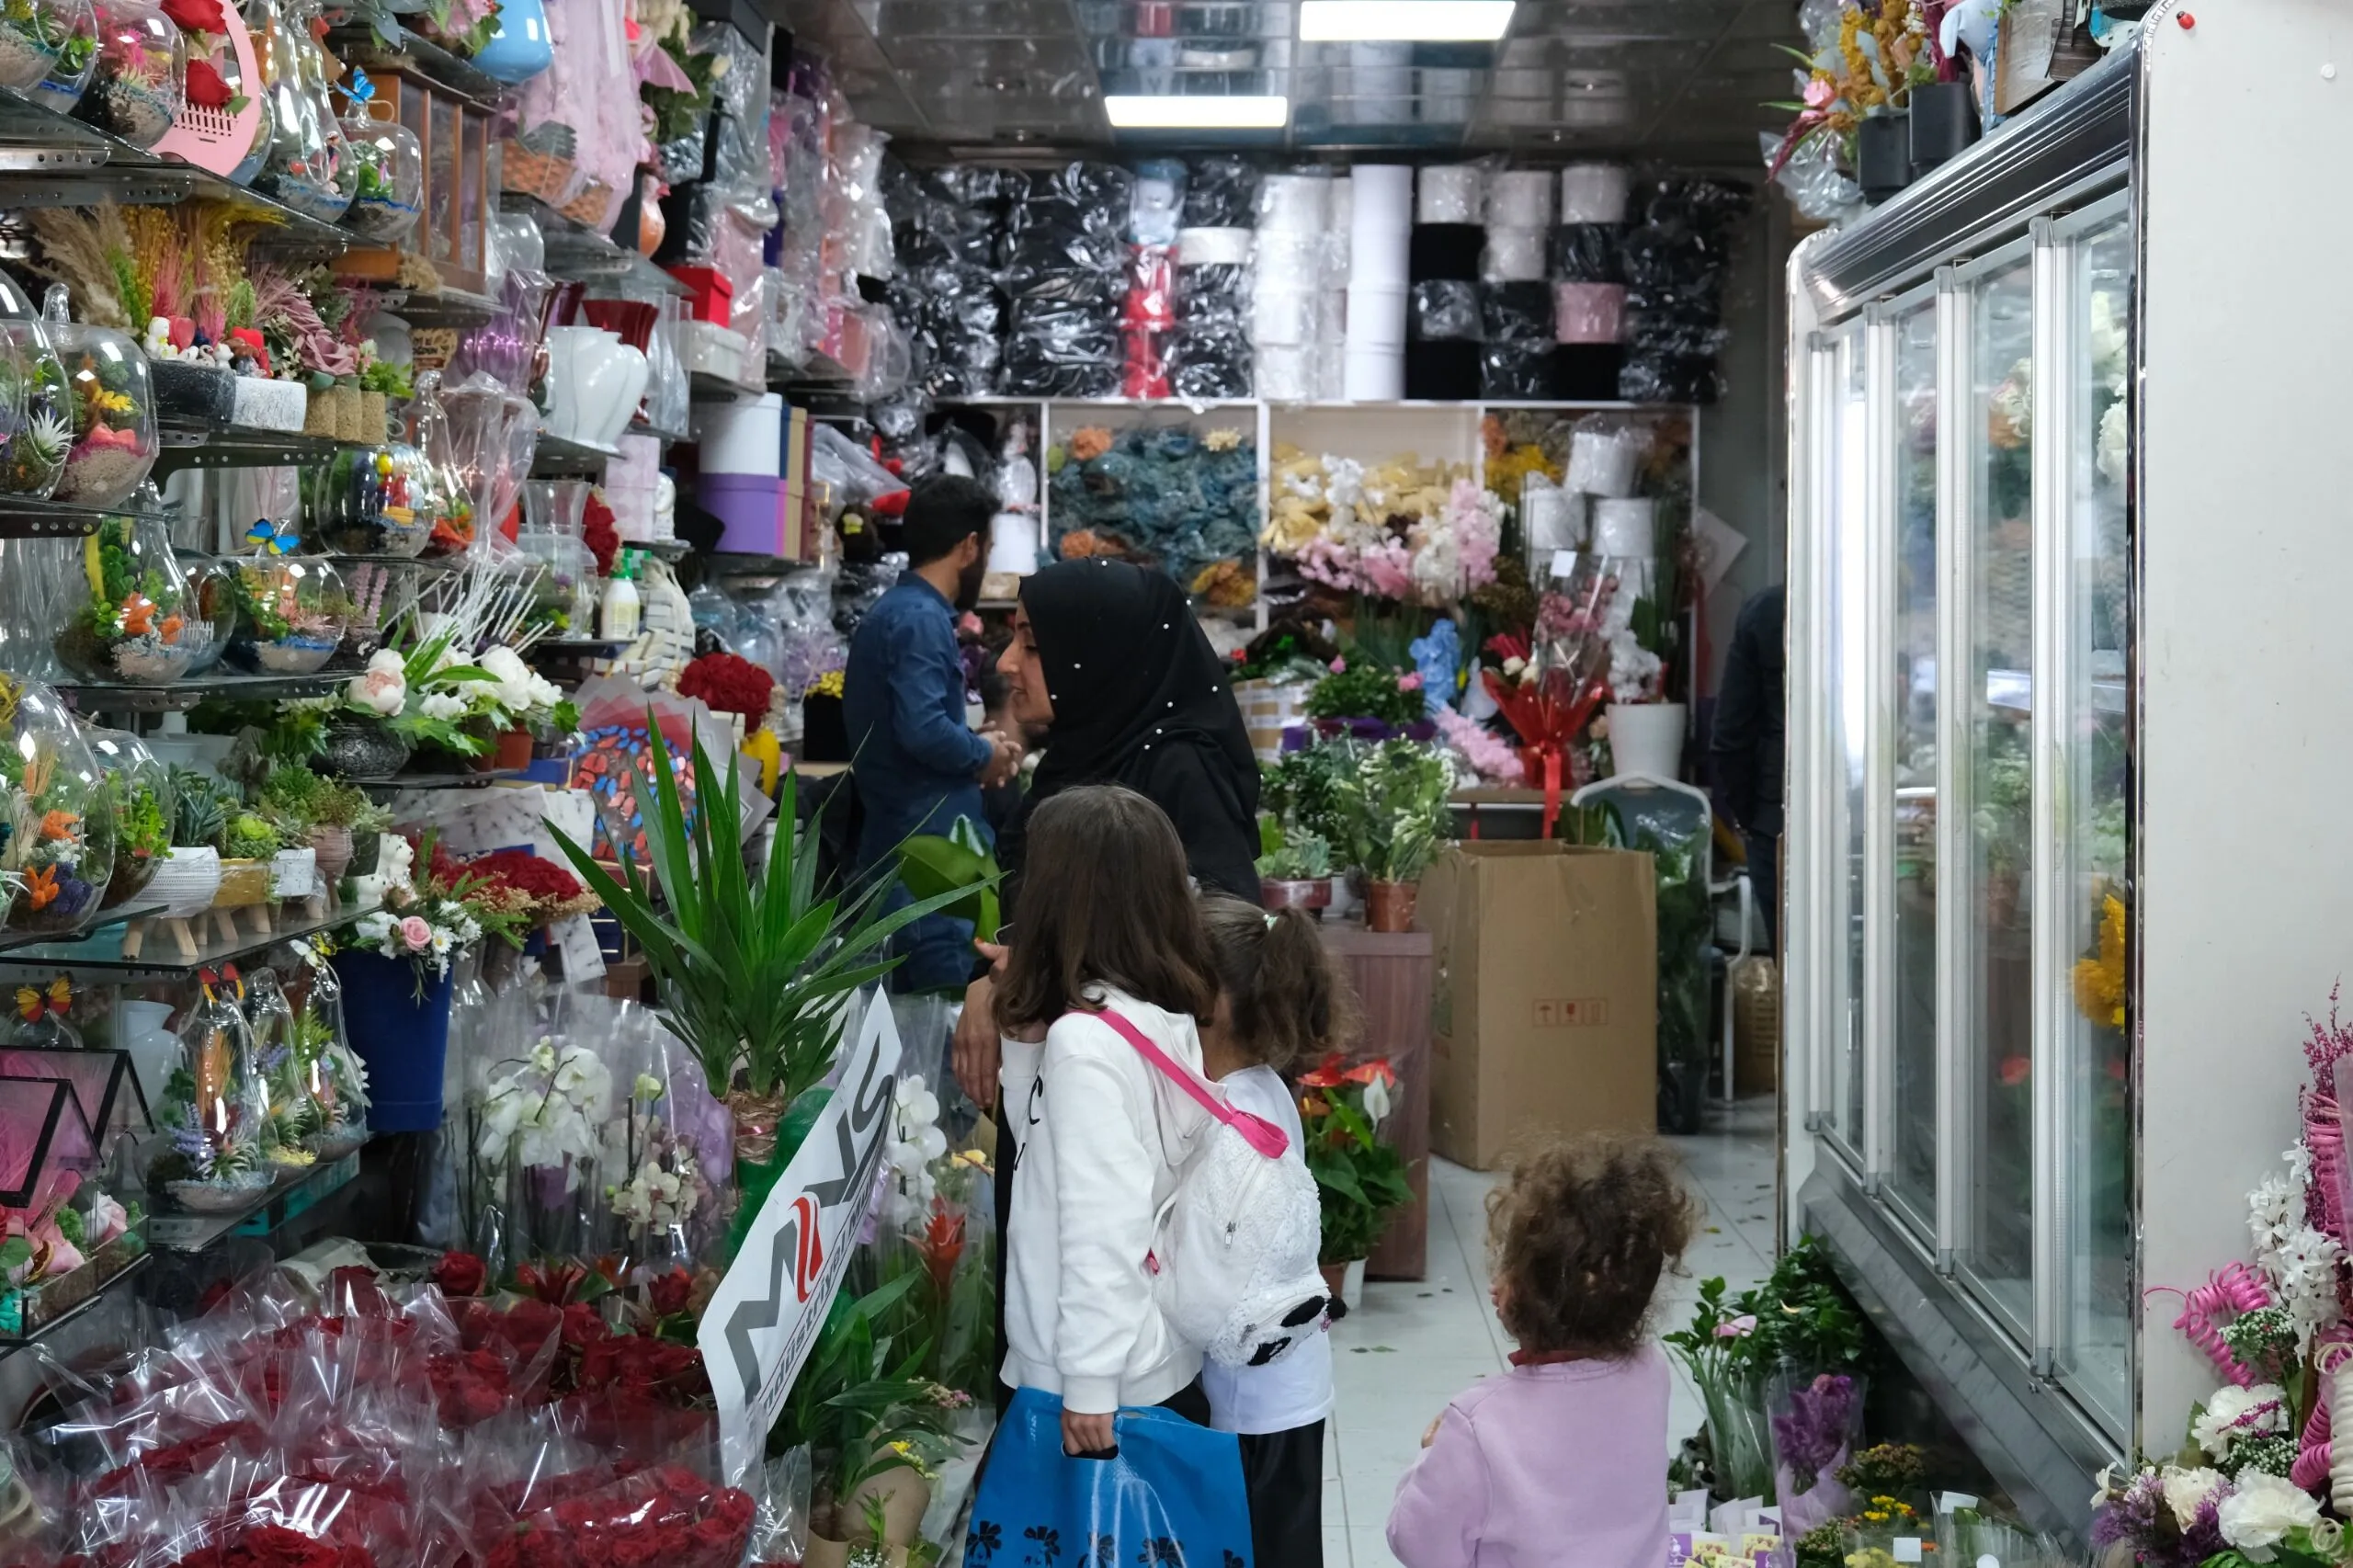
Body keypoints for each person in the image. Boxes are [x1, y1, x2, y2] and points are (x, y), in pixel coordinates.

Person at [953, 558, 1261, 1104]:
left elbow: (1220, 948)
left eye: (1032, 644)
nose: (1005, 663)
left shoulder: (1179, 771)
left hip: (1134, 1116)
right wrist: (996, 980)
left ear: (1096, 656)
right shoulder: (1077, 758)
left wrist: (1026, 975)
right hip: (1068, 1087)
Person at [994, 784, 1225, 1452]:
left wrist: (1089, 1384)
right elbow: (1036, 1147)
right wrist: (1023, 1041)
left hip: (1094, 1383)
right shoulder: (1151, 1015)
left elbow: (1102, 1220)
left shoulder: (1086, 1043)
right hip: (1146, 1352)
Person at [1387, 1134, 1700, 1568]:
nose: (1496, 1281)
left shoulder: (1476, 1424)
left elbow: (1417, 1543)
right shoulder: (1652, 1372)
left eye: (1508, 1263)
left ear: (1530, 1297)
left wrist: (1430, 1455)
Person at [1197, 893, 1349, 1568]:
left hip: (1252, 1398)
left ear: (1215, 1002)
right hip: (1289, 1382)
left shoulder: (1226, 1114)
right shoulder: (1264, 1087)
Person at [842, 475, 1024, 993]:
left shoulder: (899, 613)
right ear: (969, 547)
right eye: (987, 548)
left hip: (903, 848)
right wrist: (982, 752)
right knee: (932, 1031)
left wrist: (976, 745)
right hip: (926, 866)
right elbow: (922, 732)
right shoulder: (920, 620)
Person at [1710, 583, 1785, 947]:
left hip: (1779, 817)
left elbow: (1729, 735)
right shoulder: (1884, 598)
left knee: (1793, 970)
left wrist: (1748, 816)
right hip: (1873, 823)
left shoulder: (1768, 611)